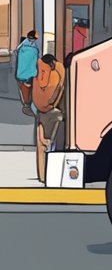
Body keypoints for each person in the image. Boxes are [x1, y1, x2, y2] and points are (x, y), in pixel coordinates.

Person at [32, 54, 65, 184]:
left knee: (43, 143)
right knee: (48, 142)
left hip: (44, 110)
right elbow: (58, 89)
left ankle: (43, 175)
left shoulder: (54, 70)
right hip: (49, 110)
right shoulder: (56, 71)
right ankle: (44, 175)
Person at [12, 31, 38, 117]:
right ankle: (27, 106)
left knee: (24, 91)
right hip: (27, 74)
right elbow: (32, 61)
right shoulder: (32, 48)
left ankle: (27, 106)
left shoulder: (22, 46)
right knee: (27, 91)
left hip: (22, 74)